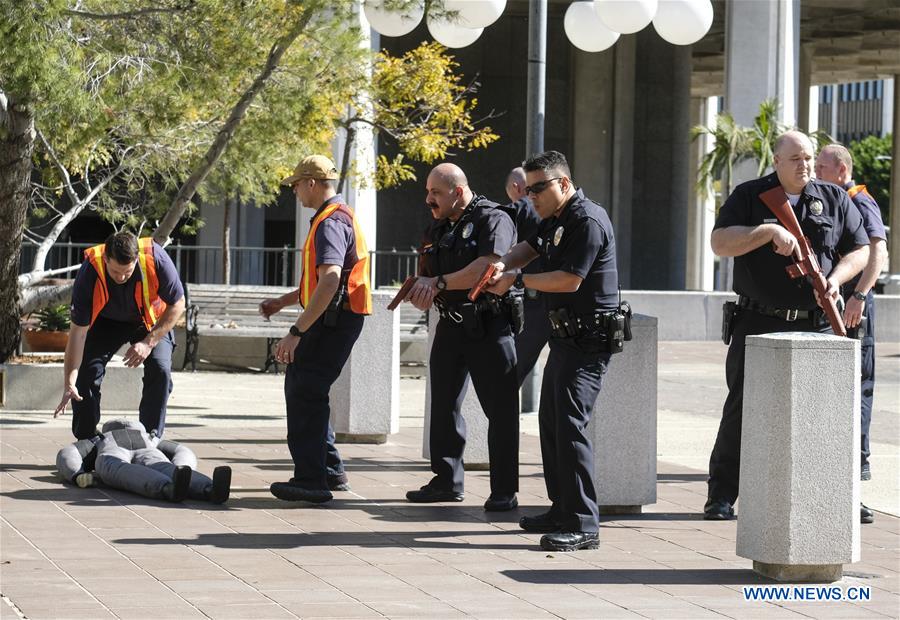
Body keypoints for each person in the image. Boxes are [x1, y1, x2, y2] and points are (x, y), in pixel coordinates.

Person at [705, 131, 869, 521]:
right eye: (795, 159)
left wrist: (837, 278)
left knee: (830, 413)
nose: (805, 165)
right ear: (776, 161)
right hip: (759, 321)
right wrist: (767, 232)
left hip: (817, 324)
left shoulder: (831, 198)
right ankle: (722, 496)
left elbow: (860, 249)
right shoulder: (749, 195)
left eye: (809, 158)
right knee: (742, 410)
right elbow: (720, 242)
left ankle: (840, 493)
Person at [486, 150, 623, 552]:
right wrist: (502, 263)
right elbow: (528, 247)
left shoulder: (587, 220)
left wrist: (515, 280)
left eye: (538, 189)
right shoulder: (557, 218)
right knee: (551, 422)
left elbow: (569, 280)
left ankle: (584, 523)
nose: (531, 197)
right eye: (528, 190)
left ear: (563, 183)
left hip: (590, 341)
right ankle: (562, 508)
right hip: (567, 339)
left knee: (570, 426)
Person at [399, 162, 520, 511]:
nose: (428, 199)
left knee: (500, 410)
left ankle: (503, 490)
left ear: (459, 191)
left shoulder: (492, 218)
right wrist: (422, 289)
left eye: (435, 192)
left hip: (489, 326)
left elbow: (487, 269)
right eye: (427, 191)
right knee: (444, 405)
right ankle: (446, 480)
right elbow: (429, 273)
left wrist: (438, 283)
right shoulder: (438, 228)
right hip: (450, 325)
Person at [259, 155, 372, 504]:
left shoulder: (329, 223)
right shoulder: (337, 216)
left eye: (296, 184)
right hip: (337, 316)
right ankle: (330, 471)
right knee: (311, 390)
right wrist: (283, 301)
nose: (294, 191)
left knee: (304, 390)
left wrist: (296, 332)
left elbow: (332, 280)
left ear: (311, 183)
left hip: (332, 320)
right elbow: (319, 283)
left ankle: (311, 480)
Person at [815, 143, 888, 525]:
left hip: (855, 308)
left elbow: (878, 251)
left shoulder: (860, 200)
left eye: (821, 166)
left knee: (855, 393)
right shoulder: (830, 199)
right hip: (836, 306)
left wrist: (859, 295)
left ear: (841, 170)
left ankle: (854, 489)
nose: (814, 172)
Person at [54, 231, 185, 439]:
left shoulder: (156, 258)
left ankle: (151, 436)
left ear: (136, 260)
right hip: (107, 322)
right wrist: (69, 382)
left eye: (128, 271)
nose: (122, 277)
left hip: (149, 321)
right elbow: (77, 334)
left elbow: (178, 304)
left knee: (160, 370)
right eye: (115, 271)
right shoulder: (90, 271)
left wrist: (149, 343)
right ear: (106, 259)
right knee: (86, 374)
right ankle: (86, 438)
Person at [57, 418, 232, 503]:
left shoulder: (99, 439)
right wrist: (181, 467)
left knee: (124, 471)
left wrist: (76, 474)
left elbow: (67, 453)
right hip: (147, 452)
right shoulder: (150, 437)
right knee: (163, 466)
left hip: (112, 455)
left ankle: (168, 488)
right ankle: (209, 488)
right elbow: (182, 450)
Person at [505, 167, 552, 387]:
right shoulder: (553, 214)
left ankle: (504, 421)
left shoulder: (520, 209)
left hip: (533, 305)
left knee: (511, 373)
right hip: (561, 303)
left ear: (516, 188)